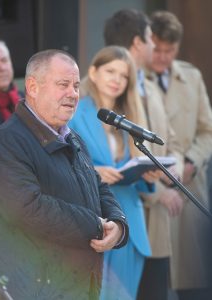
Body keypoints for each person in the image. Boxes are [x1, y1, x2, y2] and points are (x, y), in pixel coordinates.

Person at [0, 49, 129, 300]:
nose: (72, 93)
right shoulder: (7, 142)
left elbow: (97, 186)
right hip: (34, 287)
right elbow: (27, 208)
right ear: (33, 87)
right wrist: (94, 225)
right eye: (63, 85)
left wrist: (118, 225)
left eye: (75, 85)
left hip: (78, 285)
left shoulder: (72, 137)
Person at [103, 9, 184, 300]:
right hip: (122, 222)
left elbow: (170, 140)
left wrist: (174, 169)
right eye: (151, 38)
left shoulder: (149, 86)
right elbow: (108, 161)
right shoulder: (105, 90)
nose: (154, 45)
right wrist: (157, 191)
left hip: (157, 229)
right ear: (138, 43)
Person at [69, 45, 161, 299]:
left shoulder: (129, 118)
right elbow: (63, 162)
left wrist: (148, 178)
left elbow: (133, 178)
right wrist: (95, 170)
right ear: (94, 72)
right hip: (96, 221)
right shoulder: (75, 112)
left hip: (131, 226)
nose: (116, 80)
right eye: (110, 71)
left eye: (123, 76)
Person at [148, 11, 212, 300]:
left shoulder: (191, 76)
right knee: (157, 283)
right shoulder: (132, 78)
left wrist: (191, 162)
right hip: (153, 190)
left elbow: (207, 130)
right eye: (157, 49)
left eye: (169, 51)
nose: (162, 57)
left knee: (194, 281)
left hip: (189, 187)